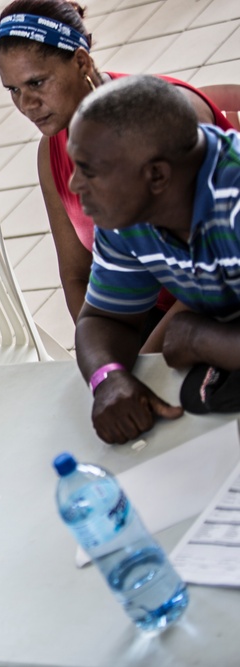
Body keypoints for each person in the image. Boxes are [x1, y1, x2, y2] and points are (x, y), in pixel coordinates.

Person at [0, 0, 235, 351]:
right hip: (147, 311)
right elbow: (77, 274)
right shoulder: (52, 152)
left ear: (81, 61)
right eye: (13, 89)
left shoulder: (159, 119)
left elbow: (216, 267)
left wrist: (145, 359)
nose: (27, 103)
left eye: (37, 82)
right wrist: (107, 354)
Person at [69, 75, 240, 443]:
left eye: (89, 171)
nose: (73, 185)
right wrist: (108, 377)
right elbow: (102, 318)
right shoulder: (127, 216)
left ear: (157, 175)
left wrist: (199, 338)